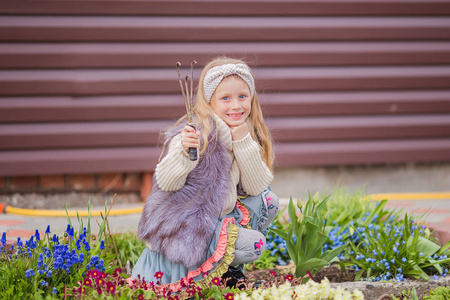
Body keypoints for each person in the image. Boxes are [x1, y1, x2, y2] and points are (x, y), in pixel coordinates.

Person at [131, 57, 279, 292]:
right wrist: (182, 152)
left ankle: (226, 271)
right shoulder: (196, 133)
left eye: (242, 96)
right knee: (254, 245)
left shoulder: (243, 133)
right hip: (192, 222)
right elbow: (167, 182)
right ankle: (203, 273)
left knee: (269, 201)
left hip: (222, 214)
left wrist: (243, 142)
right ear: (210, 102)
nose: (236, 106)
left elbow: (257, 187)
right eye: (225, 98)